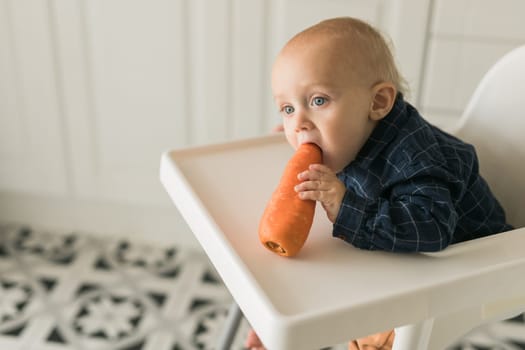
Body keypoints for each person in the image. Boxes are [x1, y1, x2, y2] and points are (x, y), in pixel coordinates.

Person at [246, 16, 512, 350]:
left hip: (467, 265)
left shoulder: (416, 161)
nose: (298, 124)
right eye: (287, 108)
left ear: (378, 103)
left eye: (317, 101)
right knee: (309, 268)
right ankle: (289, 329)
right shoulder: (349, 134)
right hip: (394, 248)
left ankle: (311, 333)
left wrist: (345, 206)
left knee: (375, 336)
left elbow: (432, 229)